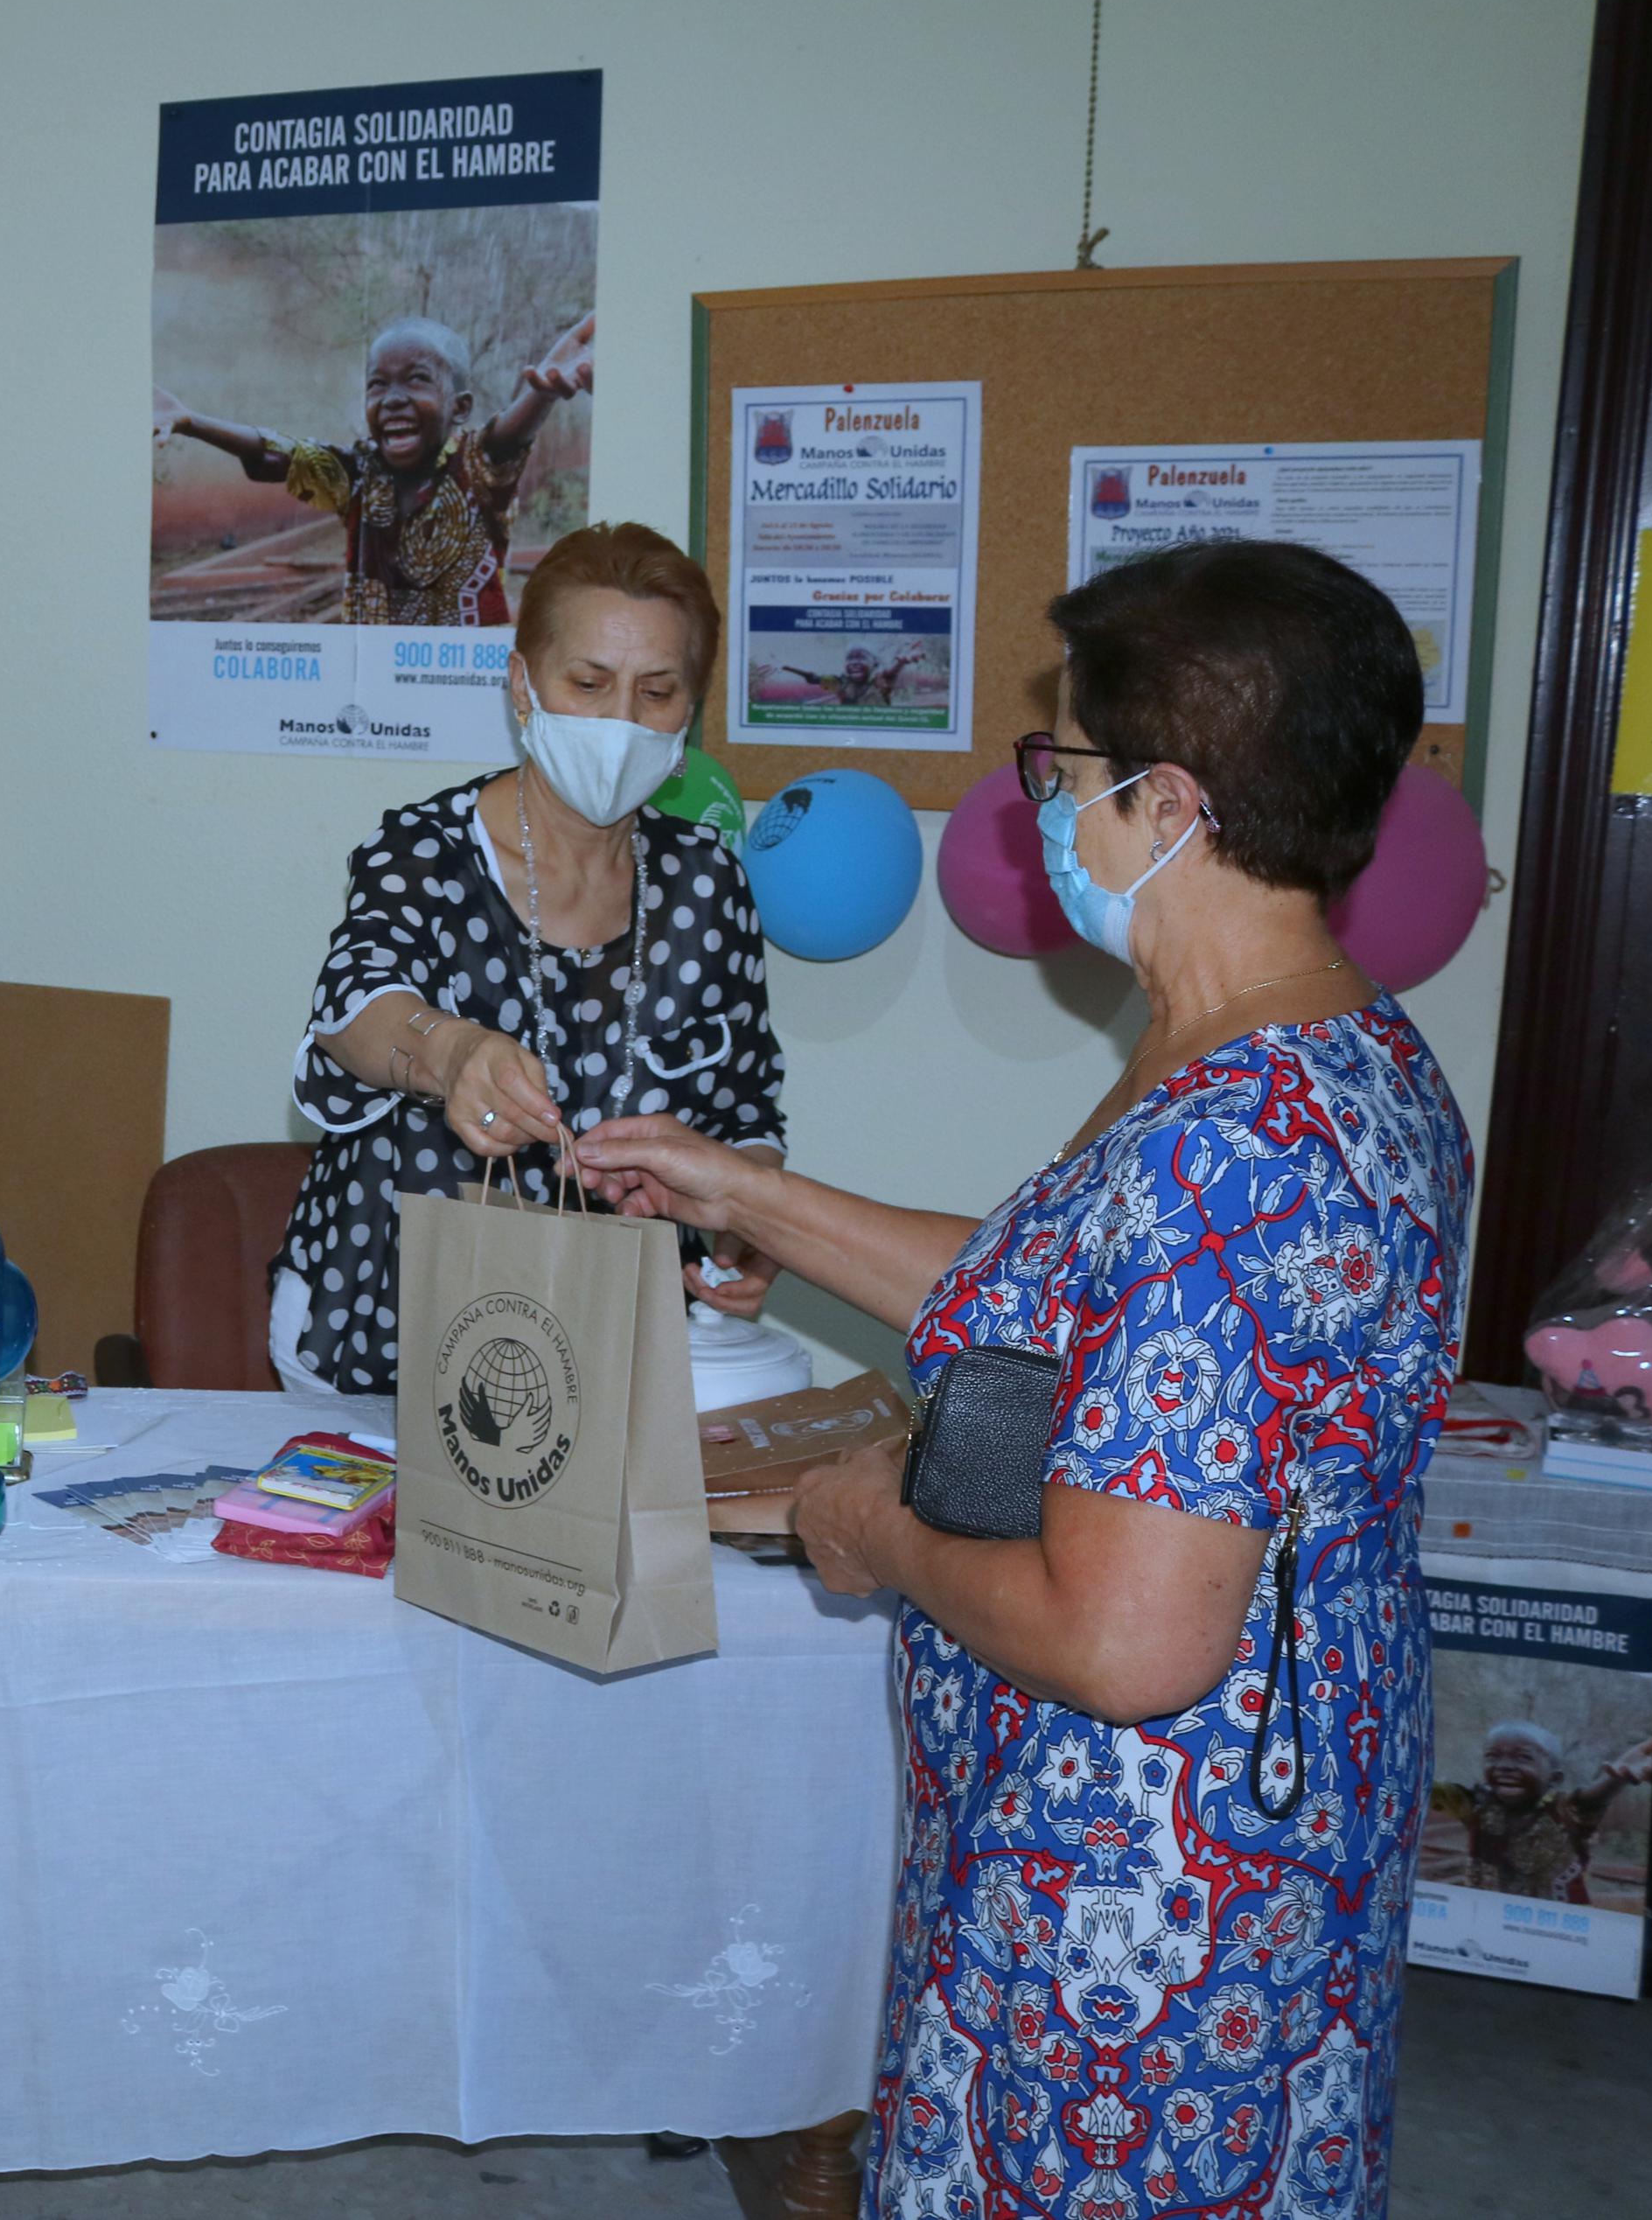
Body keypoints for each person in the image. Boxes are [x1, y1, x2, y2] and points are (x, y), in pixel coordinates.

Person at [577, 539, 1471, 2220]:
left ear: (1172, 808)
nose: (1036, 805)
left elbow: (1126, 1637)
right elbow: (1076, 1305)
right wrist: (743, 1190)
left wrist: (869, 1526)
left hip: (1139, 1900)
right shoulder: (1333, 1050)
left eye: (1059, 767)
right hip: (1278, 1814)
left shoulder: (1232, 1149)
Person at [269, 521, 788, 1397]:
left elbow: (746, 1113)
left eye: (656, 692)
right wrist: (451, 1055)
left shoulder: (707, 886)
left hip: (609, 1351)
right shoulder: (424, 850)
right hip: (385, 1331)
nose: (619, 722)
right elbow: (353, 1011)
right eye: (587, 683)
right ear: (522, 685)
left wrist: (753, 1217)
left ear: (689, 707)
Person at [153, 311, 594, 625]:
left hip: (461, 680)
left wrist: (544, 395)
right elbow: (275, 454)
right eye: (377, 384)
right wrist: (191, 422)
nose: (393, 397)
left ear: (459, 408)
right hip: (376, 683)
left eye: (417, 378)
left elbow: (507, 437)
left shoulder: (475, 466)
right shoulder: (358, 473)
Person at [1434, 1725, 1652, 1901]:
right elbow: (1423, 1788)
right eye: (1493, 1757)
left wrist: (1617, 1778)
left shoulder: (1565, 1813)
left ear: (1555, 1778)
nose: (1504, 1766)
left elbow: (1592, 1799)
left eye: (1524, 1758)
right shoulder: (1477, 1805)